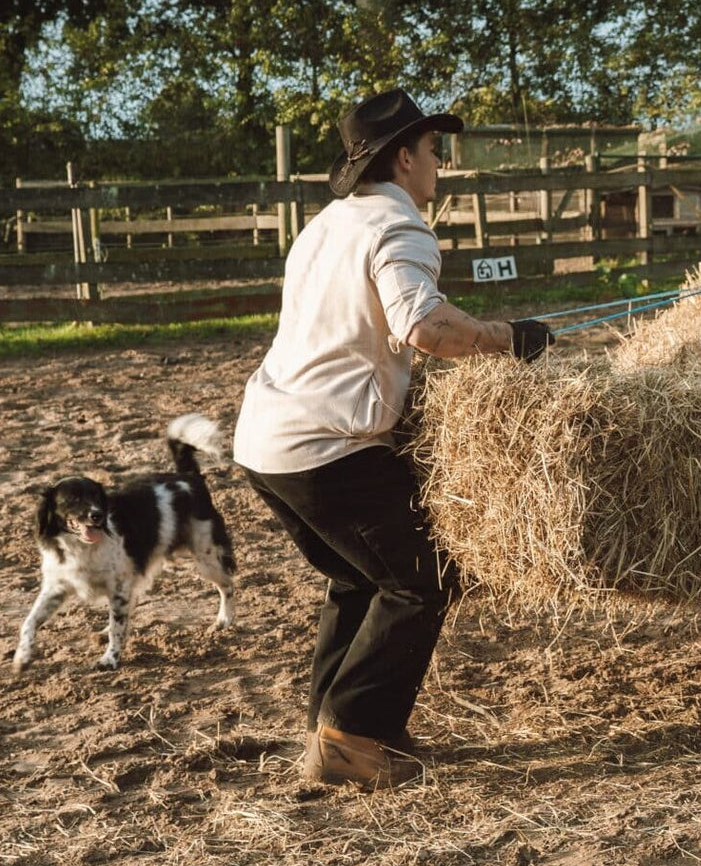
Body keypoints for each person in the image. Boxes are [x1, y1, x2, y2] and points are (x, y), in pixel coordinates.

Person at [233, 88, 555, 788]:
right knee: (426, 577)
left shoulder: (326, 225)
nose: (440, 162)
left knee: (360, 576)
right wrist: (508, 341)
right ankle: (353, 738)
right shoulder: (400, 227)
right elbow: (426, 327)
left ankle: (334, 723)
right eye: (434, 149)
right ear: (403, 158)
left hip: (264, 440)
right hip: (326, 446)